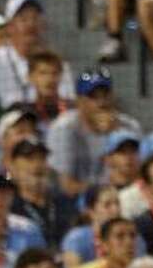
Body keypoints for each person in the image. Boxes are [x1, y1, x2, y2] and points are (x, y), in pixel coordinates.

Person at [0, 0, 76, 111]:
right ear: (9, 27)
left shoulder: (57, 64)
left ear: (43, 25)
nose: (30, 25)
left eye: (35, 18)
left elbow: (69, 102)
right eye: (23, 19)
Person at [45, 68, 141, 197]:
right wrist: (108, 190)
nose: (101, 102)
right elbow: (65, 187)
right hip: (76, 203)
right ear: (79, 101)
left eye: (105, 95)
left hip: (123, 198)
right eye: (93, 97)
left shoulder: (128, 126)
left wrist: (114, 134)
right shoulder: (64, 128)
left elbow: (142, 175)